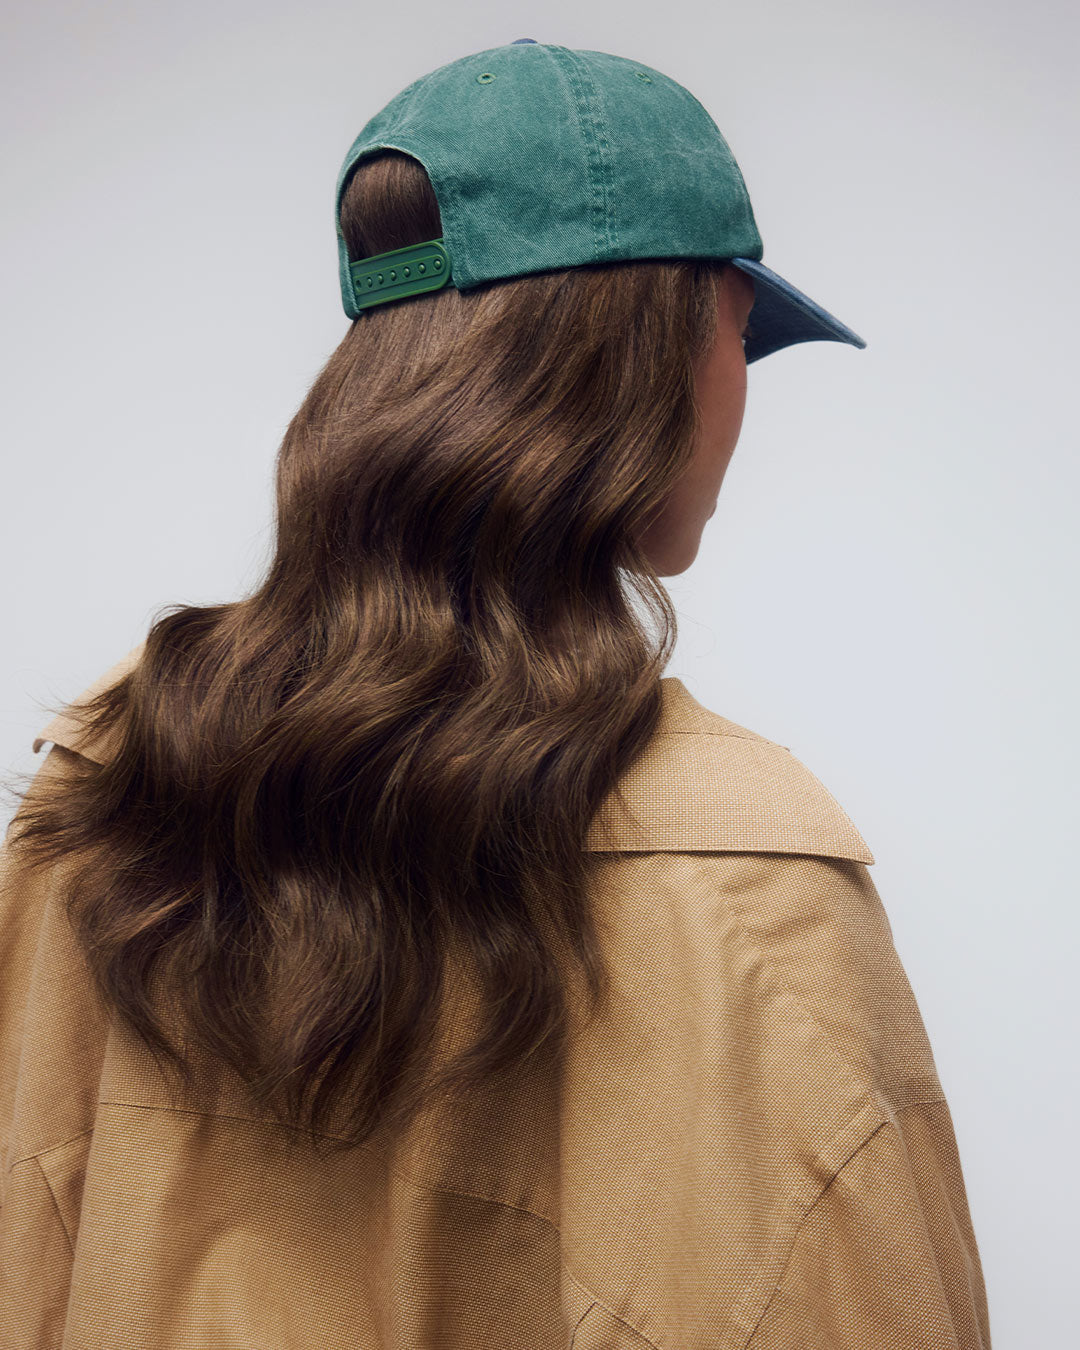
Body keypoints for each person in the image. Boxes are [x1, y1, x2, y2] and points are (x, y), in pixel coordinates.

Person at [0, 38, 991, 1349]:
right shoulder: (746, 887)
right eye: (743, 331)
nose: (744, 387)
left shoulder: (111, 788)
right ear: (663, 343)